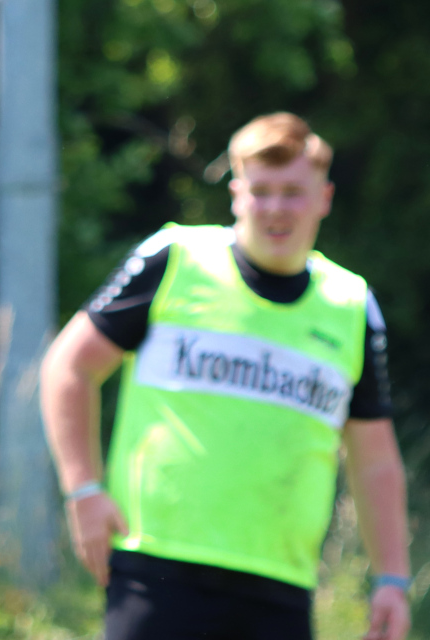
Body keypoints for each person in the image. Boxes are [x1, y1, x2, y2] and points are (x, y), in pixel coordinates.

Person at [40, 112, 410, 640]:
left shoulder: (351, 305)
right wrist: (83, 490)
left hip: (280, 586)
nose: (276, 209)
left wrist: (392, 577)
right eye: (261, 191)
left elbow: (374, 459)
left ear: (324, 197)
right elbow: (69, 366)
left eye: (293, 192)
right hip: (157, 569)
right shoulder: (174, 259)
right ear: (236, 194)